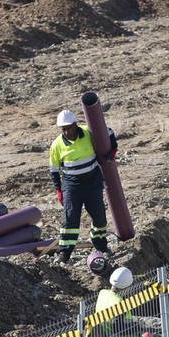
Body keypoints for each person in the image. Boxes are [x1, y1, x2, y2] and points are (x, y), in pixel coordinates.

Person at [48, 109, 117, 264]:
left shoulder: (88, 132)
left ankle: (100, 245)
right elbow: (53, 169)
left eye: (68, 128)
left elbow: (109, 131)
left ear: (75, 125)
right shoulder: (57, 145)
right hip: (72, 186)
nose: (66, 132)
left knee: (99, 218)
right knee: (70, 220)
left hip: (92, 183)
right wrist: (58, 189)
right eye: (63, 129)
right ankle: (64, 253)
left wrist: (112, 150)